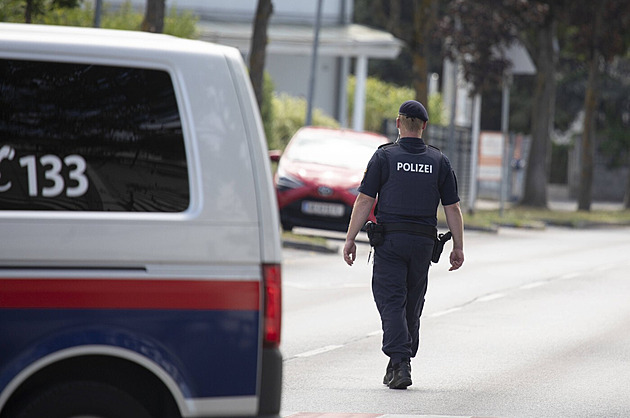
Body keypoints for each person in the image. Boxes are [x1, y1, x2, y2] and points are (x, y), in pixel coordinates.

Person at [343, 100, 464, 390]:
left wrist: (350, 238)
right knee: (412, 301)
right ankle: (398, 361)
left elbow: (364, 200)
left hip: (391, 241)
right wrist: (458, 246)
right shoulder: (439, 161)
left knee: (391, 300)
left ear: (399, 123)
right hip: (423, 244)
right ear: (424, 126)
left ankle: (400, 362)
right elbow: (453, 208)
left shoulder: (384, 157)